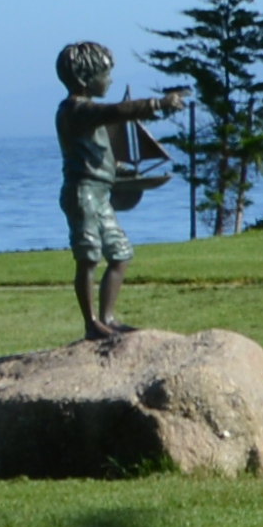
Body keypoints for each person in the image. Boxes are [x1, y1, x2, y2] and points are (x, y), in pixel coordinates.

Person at [51, 40, 190, 342]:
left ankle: (108, 318)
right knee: (88, 257)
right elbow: (118, 111)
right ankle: (91, 323)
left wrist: (118, 171)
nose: (110, 81)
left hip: (100, 194)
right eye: (106, 74)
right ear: (84, 79)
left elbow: (97, 153)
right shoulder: (78, 110)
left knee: (121, 254)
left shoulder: (88, 114)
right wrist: (158, 104)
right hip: (83, 194)